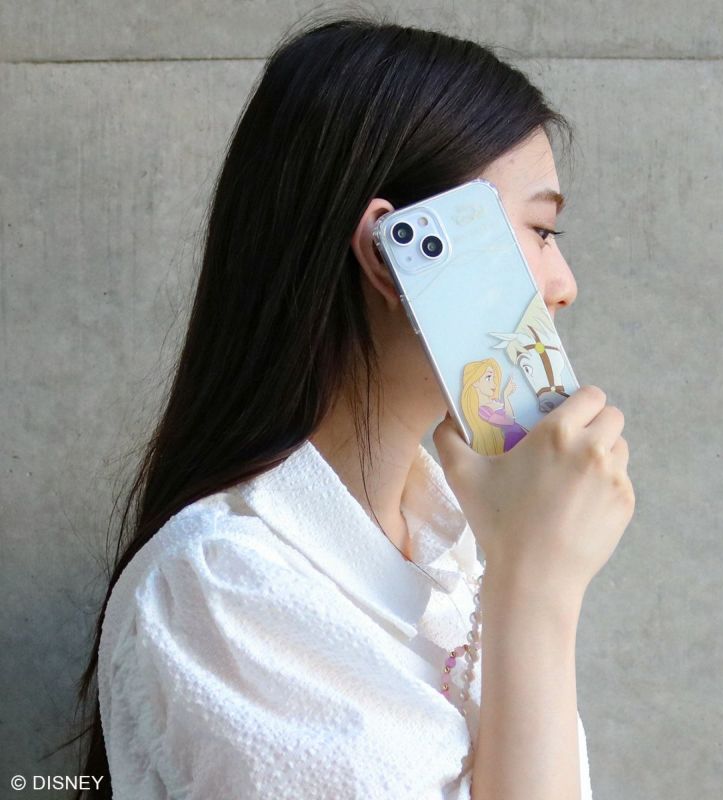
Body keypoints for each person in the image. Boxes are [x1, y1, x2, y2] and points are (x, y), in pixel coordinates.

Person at [63, 14, 635, 800]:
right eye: (539, 230)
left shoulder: (457, 551)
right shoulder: (221, 587)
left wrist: (524, 566)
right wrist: (538, 587)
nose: (564, 284)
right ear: (392, 254)